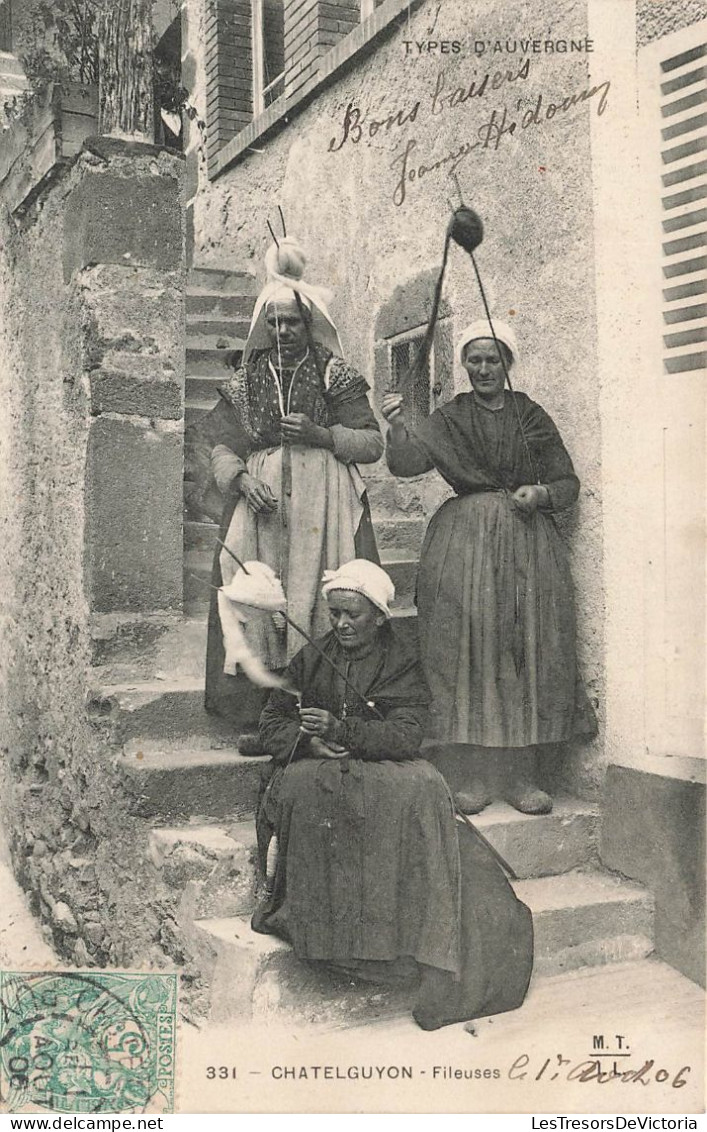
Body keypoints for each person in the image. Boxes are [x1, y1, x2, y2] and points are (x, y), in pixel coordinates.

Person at [251, 560, 533, 1031]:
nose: (341, 624)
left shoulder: (403, 661)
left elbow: (407, 735)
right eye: (335, 613)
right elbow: (271, 721)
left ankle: (399, 944)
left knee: (422, 785)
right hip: (320, 768)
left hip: (384, 764)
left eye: (352, 615)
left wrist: (344, 729)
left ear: (379, 616)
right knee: (302, 788)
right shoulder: (311, 657)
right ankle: (329, 938)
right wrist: (307, 740)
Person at [382, 320, 596, 816]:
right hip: (464, 544)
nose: (483, 368)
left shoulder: (530, 415)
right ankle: (475, 776)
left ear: (508, 363)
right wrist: (396, 426)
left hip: (527, 545)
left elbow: (566, 482)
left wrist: (540, 493)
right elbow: (408, 462)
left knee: (524, 650)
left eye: (492, 359)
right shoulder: (451, 416)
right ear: (462, 364)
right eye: (473, 359)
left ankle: (521, 777)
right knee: (469, 653)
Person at [198, 239, 383, 725]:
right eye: (274, 323)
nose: (282, 331)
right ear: (264, 326)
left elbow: (371, 442)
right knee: (254, 599)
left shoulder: (333, 372)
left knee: (319, 605)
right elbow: (218, 443)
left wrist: (322, 434)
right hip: (262, 505)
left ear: (309, 324)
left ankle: (321, 711)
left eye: (292, 322)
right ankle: (263, 718)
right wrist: (238, 479)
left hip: (325, 504)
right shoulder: (247, 378)